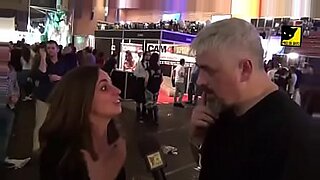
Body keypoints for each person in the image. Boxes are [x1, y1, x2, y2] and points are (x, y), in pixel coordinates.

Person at [190, 18, 317, 180]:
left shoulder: (296, 139)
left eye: (209, 71)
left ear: (245, 69)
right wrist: (198, 140)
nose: (200, 80)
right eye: (199, 68)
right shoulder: (222, 113)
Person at [39, 66, 126, 180]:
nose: (117, 91)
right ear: (82, 98)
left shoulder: (113, 142)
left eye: (112, 83)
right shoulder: (60, 154)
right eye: (104, 88)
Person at [32, 40, 69, 152]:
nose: (51, 50)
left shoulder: (63, 63)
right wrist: (43, 57)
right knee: (40, 123)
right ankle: (36, 148)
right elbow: (41, 73)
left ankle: (55, 148)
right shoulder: (43, 61)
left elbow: (69, 77)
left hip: (58, 98)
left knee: (58, 123)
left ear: (57, 49)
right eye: (48, 48)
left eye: (53, 48)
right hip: (44, 96)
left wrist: (59, 78)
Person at [144, 53, 163, 125]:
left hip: (149, 89)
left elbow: (146, 80)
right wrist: (157, 85)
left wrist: (145, 87)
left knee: (149, 104)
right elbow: (161, 79)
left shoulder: (148, 69)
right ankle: (156, 119)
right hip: (156, 89)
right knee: (154, 103)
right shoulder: (159, 69)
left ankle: (150, 119)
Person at [133, 52, 151, 122]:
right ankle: (138, 113)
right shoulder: (140, 63)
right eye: (147, 55)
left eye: (149, 55)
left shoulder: (150, 64)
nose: (148, 57)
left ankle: (143, 113)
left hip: (147, 82)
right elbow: (136, 73)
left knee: (145, 98)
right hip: (140, 81)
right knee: (139, 98)